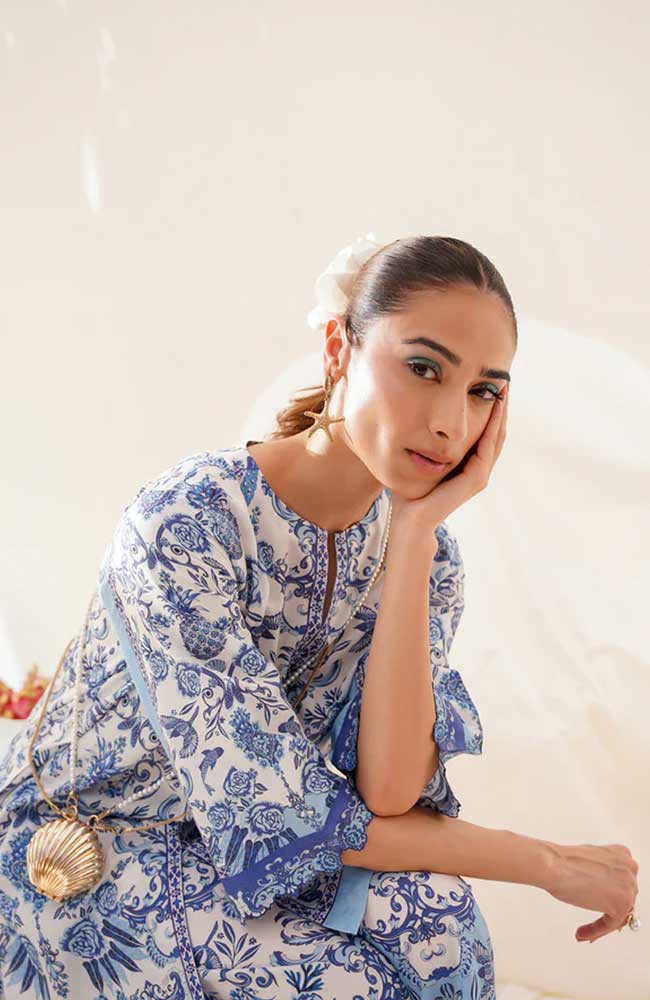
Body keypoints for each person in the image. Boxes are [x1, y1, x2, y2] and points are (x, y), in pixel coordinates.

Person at [0, 234, 638, 1000]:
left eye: (482, 392)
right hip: (83, 855)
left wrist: (413, 536)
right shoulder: (189, 520)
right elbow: (284, 814)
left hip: (244, 859)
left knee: (441, 921)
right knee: (347, 981)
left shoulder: (431, 560)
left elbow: (389, 793)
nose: (449, 422)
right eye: (424, 368)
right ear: (339, 348)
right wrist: (546, 863)